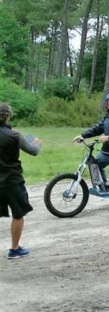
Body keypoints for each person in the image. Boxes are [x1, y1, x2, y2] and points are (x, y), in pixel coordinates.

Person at [0, 103, 41, 260]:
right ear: (8, 116)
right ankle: (14, 249)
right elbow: (33, 151)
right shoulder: (14, 136)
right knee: (18, 214)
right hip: (12, 181)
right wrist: (36, 141)